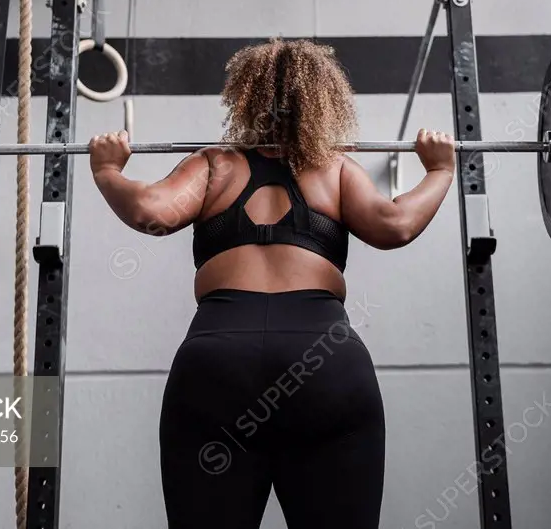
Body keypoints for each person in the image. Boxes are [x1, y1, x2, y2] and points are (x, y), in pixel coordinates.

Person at [88, 38, 456, 529]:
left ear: (246, 97)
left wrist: (107, 168)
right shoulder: (334, 169)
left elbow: (150, 212)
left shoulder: (215, 165)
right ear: (325, 99)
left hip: (218, 363)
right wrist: (441, 168)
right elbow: (395, 226)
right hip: (323, 363)